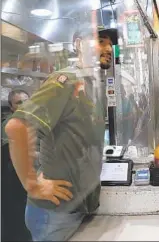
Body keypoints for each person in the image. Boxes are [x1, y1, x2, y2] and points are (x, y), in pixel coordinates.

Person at [4, 28, 111, 241]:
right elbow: (17, 127)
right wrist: (32, 184)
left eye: (109, 43)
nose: (108, 48)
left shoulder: (93, 86)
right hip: (55, 214)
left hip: (80, 206)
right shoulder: (66, 81)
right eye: (100, 41)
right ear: (79, 44)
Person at [1, 89, 32, 241]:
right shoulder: (10, 125)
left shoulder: (33, 122)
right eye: (19, 103)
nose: (24, 105)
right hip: (16, 180)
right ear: (12, 107)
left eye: (26, 101)